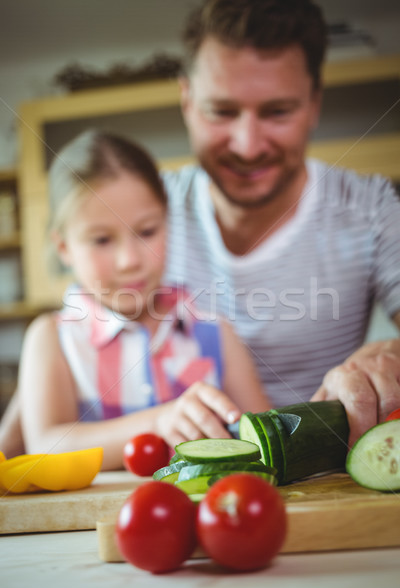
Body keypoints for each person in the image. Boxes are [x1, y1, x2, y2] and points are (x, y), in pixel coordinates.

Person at [160, 0, 400, 447]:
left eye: (277, 112)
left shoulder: (372, 207)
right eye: (222, 111)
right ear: (187, 101)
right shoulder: (140, 213)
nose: (248, 146)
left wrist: (392, 354)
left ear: (314, 104)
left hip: (321, 479)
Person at [9, 130, 270, 469]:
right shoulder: (52, 339)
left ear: (168, 224)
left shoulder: (215, 332)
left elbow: (265, 435)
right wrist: (157, 423)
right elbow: (46, 445)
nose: (129, 259)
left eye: (147, 232)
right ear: (64, 248)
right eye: (102, 239)